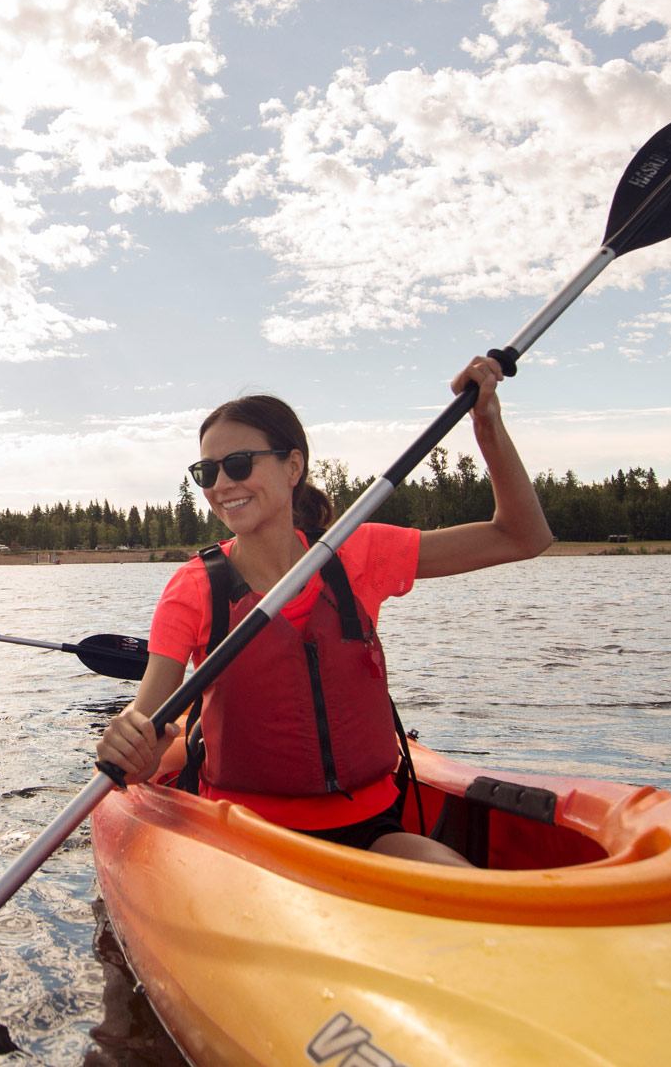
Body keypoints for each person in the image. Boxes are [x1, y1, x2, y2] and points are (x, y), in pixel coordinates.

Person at [95, 357, 553, 866]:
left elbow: (523, 536)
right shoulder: (193, 589)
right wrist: (130, 742)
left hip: (370, 829)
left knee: (463, 883)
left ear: (293, 467)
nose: (221, 483)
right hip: (245, 838)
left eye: (240, 463)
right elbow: (149, 724)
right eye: (207, 470)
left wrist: (486, 424)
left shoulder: (356, 554)